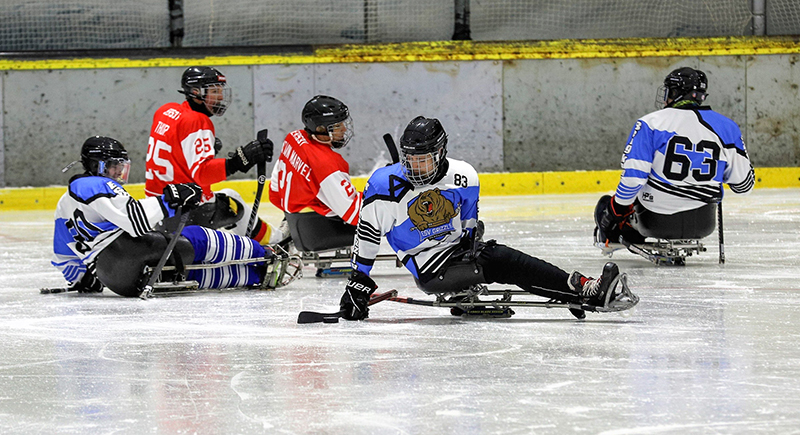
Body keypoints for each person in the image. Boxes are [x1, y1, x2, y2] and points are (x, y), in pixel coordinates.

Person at [338, 116, 631, 321]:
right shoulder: (382, 186)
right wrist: (357, 282)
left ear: (440, 153)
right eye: (409, 159)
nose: (415, 167)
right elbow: (367, 235)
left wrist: (470, 240)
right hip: (429, 266)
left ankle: (569, 289)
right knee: (501, 260)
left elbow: (468, 224)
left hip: (454, 253)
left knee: (496, 257)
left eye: (423, 158)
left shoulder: (464, 176)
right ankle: (583, 289)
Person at [52, 136, 280, 297]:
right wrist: (169, 199)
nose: (117, 172)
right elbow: (134, 221)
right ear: (94, 165)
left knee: (184, 272)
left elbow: (63, 254)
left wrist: (83, 279)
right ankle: (261, 255)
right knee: (196, 237)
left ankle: (253, 275)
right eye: (112, 166)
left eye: (120, 166)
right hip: (130, 252)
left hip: (115, 279)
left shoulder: (63, 204)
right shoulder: (95, 185)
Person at [594, 67, 755, 245]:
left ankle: (615, 237)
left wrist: (615, 211)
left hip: (655, 221)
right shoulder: (727, 127)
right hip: (704, 224)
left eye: (669, 92)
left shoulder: (651, 123)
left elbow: (633, 179)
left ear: (676, 93)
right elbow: (744, 186)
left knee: (605, 205)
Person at [144, 66, 285, 245]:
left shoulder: (165, 111)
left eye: (220, 91)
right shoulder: (198, 121)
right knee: (234, 203)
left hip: (155, 207)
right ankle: (276, 241)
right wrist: (239, 161)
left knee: (229, 195)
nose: (220, 96)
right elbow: (202, 175)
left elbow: (173, 153)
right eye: (214, 91)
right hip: (188, 210)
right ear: (196, 92)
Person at [268, 95, 362, 252]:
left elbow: (275, 190)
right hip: (322, 231)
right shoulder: (327, 163)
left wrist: (292, 213)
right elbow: (353, 214)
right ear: (320, 129)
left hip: (296, 219)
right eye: (337, 126)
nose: (344, 129)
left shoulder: (294, 138)